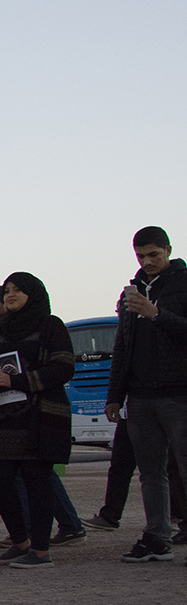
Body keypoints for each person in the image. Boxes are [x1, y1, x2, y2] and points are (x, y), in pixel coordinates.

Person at [0, 272, 75, 569]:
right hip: (4, 418)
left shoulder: (50, 325)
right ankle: (21, 542)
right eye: (7, 291)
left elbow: (63, 367)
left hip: (39, 417)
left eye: (18, 290)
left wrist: (17, 380)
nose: (11, 295)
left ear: (33, 293)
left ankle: (41, 552)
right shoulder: (1, 329)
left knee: (37, 480)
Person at [104, 226, 187, 562]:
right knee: (150, 472)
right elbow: (122, 346)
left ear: (167, 249)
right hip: (139, 397)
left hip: (179, 393)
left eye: (154, 254)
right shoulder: (134, 290)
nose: (148, 261)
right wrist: (115, 395)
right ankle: (157, 537)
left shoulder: (183, 283)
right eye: (141, 255)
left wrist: (155, 314)